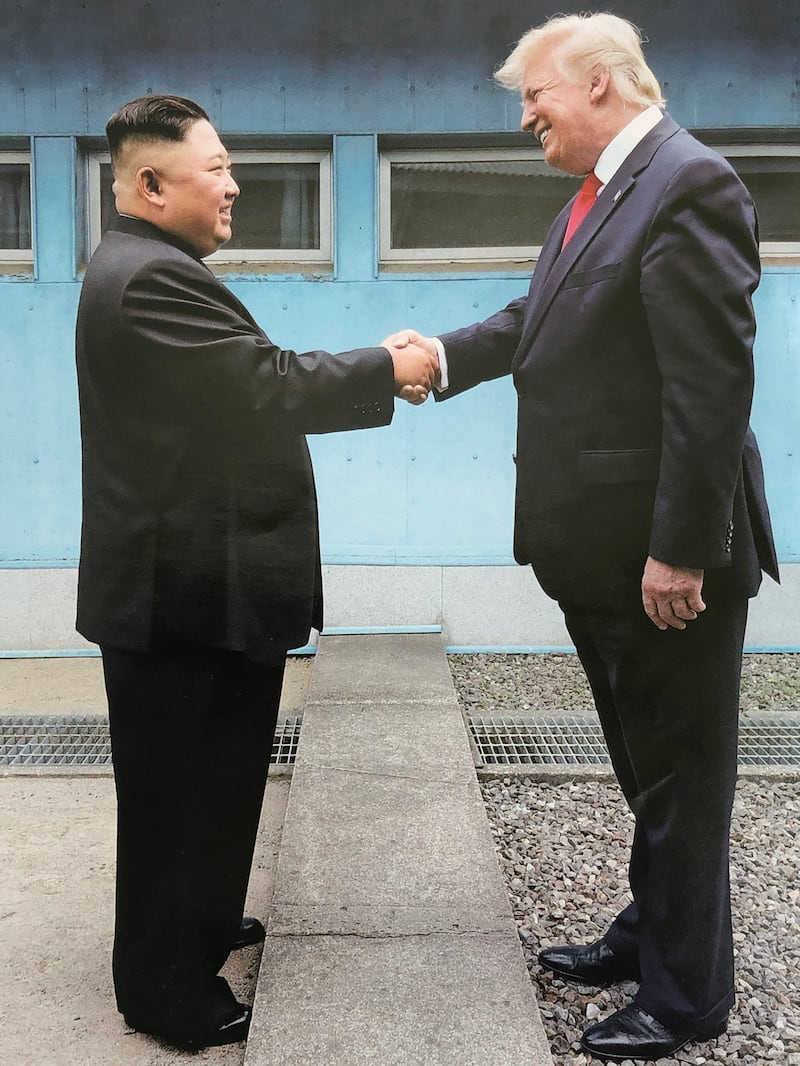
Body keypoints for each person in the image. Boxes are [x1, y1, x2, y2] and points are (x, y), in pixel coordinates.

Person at [392, 13, 779, 1062]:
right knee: (642, 764)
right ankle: (647, 932)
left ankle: (688, 996)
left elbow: (709, 390)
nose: (524, 116)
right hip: (598, 550)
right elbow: (540, 317)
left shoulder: (686, 181)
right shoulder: (604, 194)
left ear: (602, 84)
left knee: (679, 778)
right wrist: (437, 353)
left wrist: (681, 549)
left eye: (534, 96)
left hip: (660, 558)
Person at [74, 93, 437, 1051]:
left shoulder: (150, 266)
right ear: (151, 185)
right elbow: (264, 382)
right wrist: (384, 365)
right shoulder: (148, 277)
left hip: (202, 587)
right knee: (179, 798)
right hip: (179, 599)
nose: (234, 186)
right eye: (217, 169)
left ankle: (199, 924)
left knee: (217, 780)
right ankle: (164, 992)